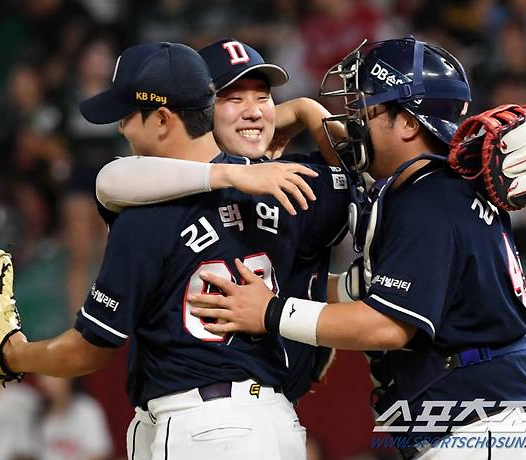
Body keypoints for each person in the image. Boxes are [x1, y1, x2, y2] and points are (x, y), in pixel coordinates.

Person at [186, 38, 526, 459]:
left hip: (482, 429)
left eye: (368, 108)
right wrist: (308, 112)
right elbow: (359, 287)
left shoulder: (429, 201)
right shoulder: (429, 189)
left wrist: (271, 312)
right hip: (485, 423)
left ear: (408, 124)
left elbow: (386, 325)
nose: (357, 120)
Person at [0, 42, 350, 460]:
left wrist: (9, 353)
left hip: (202, 426)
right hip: (274, 421)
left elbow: (90, 348)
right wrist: (309, 113)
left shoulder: (145, 213)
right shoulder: (284, 182)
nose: (120, 129)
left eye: (127, 117)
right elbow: (358, 179)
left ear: (163, 119)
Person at [94, 38, 346, 415]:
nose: (253, 112)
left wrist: (308, 110)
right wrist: (232, 173)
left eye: (263, 97)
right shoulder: (155, 187)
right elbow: (110, 179)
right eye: (233, 98)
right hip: (184, 408)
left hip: (240, 411)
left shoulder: (286, 179)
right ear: (201, 109)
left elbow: (364, 177)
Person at [37, 376, 113, 460]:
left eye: (52, 375)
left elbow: (99, 453)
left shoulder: (88, 410)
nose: (47, 380)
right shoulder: (37, 413)